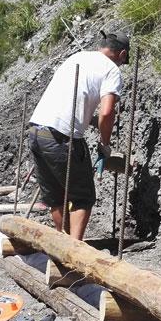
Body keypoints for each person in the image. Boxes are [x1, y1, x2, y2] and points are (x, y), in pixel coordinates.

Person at [27, 29, 129, 240]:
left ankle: (61, 246)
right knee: (82, 197)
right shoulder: (112, 70)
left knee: (55, 197)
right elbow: (108, 112)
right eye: (122, 61)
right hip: (62, 138)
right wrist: (105, 144)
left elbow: (70, 102)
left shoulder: (77, 57)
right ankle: (74, 252)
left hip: (37, 131)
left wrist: (90, 120)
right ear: (122, 55)